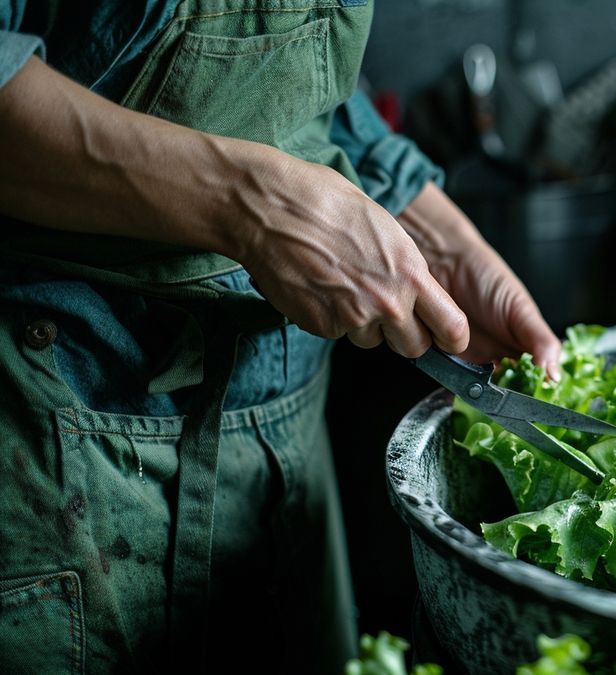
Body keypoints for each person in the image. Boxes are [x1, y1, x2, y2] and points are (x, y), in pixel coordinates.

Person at [0, 2, 560, 673]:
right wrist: (251, 205)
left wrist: (433, 231)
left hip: (280, 436)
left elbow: (303, 85)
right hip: (56, 443)